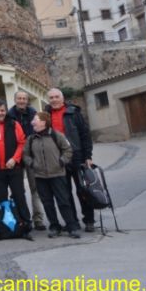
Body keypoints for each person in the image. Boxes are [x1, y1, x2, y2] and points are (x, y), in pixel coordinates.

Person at [46, 88, 95, 232]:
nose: (54, 100)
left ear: (62, 98)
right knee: (64, 194)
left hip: (77, 157)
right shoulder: (45, 115)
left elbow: (85, 135)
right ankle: (71, 221)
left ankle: (89, 220)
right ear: (48, 100)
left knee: (83, 191)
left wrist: (88, 156)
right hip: (58, 160)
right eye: (51, 97)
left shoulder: (74, 113)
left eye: (56, 97)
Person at [24, 111, 80, 238]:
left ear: (43, 122)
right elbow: (26, 155)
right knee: (47, 203)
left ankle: (72, 227)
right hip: (40, 177)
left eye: (35, 119)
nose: (33, 122)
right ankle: (55, 226)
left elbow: (68, 150)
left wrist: (62, 161)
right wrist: (32, 164)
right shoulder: (31, 139)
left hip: (58, 175)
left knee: (63, 201)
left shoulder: (57, 135)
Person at [0, 99, 32, 237]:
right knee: (1, 199)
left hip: (13, 168)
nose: (0, 113)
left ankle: (25, 224)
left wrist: (15, 159)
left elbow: (22, 143)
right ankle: (4, 226)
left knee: (19, 196)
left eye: (2, 110)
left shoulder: (14, 124)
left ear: (6, 111)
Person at [9, 91, 47, 230]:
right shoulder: (9, 116)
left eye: (24, 98)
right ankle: (21, 218)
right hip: (16, 157)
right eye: (19, 98)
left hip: (32, 156)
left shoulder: (34, 114)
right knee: (17, 190)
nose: (22, 101)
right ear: (15, 100)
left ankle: (38, 219)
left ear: (27, 100)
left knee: (35, 189)